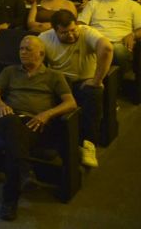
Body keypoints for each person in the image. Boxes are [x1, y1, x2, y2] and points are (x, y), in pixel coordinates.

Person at [0, 35, 76, 221]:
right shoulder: (10, 71)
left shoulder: (54, 76)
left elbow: (70, 103)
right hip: (10, 118)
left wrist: (47, 114)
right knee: (12, 124)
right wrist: (1, 104)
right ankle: (25, 172)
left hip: (35, 124)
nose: (23, 52)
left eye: (28, 49)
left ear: (41, 54)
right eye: (21, 49)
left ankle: (10, 199)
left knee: (15, 146)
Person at [39, 10, 113, 168]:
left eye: (73, 30)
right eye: (64, 33)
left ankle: (88, 144)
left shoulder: (87, 33)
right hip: (60, 82)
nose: (71, 35)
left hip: (84, 82)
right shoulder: (44, 38)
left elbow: (106, 48)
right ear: (55, 30)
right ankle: (51, 143)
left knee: (94, 92)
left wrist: (97, 80)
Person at [78, 0, 141, 76]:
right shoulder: (93, 3)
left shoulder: (133, 5)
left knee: (117, 50)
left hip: (120, 43)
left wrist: (133, 35)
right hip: (96, 42)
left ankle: (101, 73)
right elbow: (81, 23)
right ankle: (105, 73)